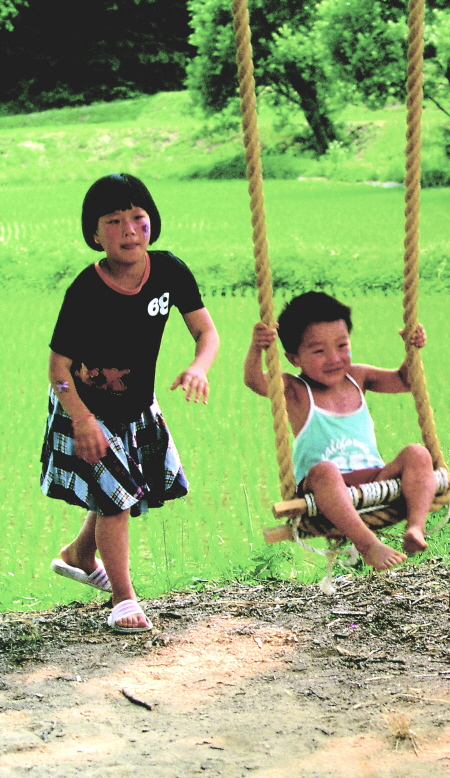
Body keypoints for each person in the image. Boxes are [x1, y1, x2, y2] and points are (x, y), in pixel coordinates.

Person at [43, 173, 219, 633]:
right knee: (116, 502)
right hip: (84, 407)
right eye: (114, 221)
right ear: (94, 233)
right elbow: (58, 370)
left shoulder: (169, 272)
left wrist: (199, 367)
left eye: (138, 218)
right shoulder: (86, 290)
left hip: (137, 407)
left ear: (152, 222)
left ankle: (80, 555)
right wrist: (81, 420)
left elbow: (206, 332)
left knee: (117, 493)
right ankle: (123, 600)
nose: (129, 230)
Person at [244, 292, 437, 571]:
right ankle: (368, 543)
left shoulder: (358, 376)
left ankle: (416, 529)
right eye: (319, 351)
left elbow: (406, 380)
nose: (334, 358)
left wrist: (412, 349)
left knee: (417, 453)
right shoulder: (295, 389)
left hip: (372, 477)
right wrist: (256, 348)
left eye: (342, 346)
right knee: (324, 470)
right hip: (322, 487)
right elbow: (254, 381)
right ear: (293, 357)